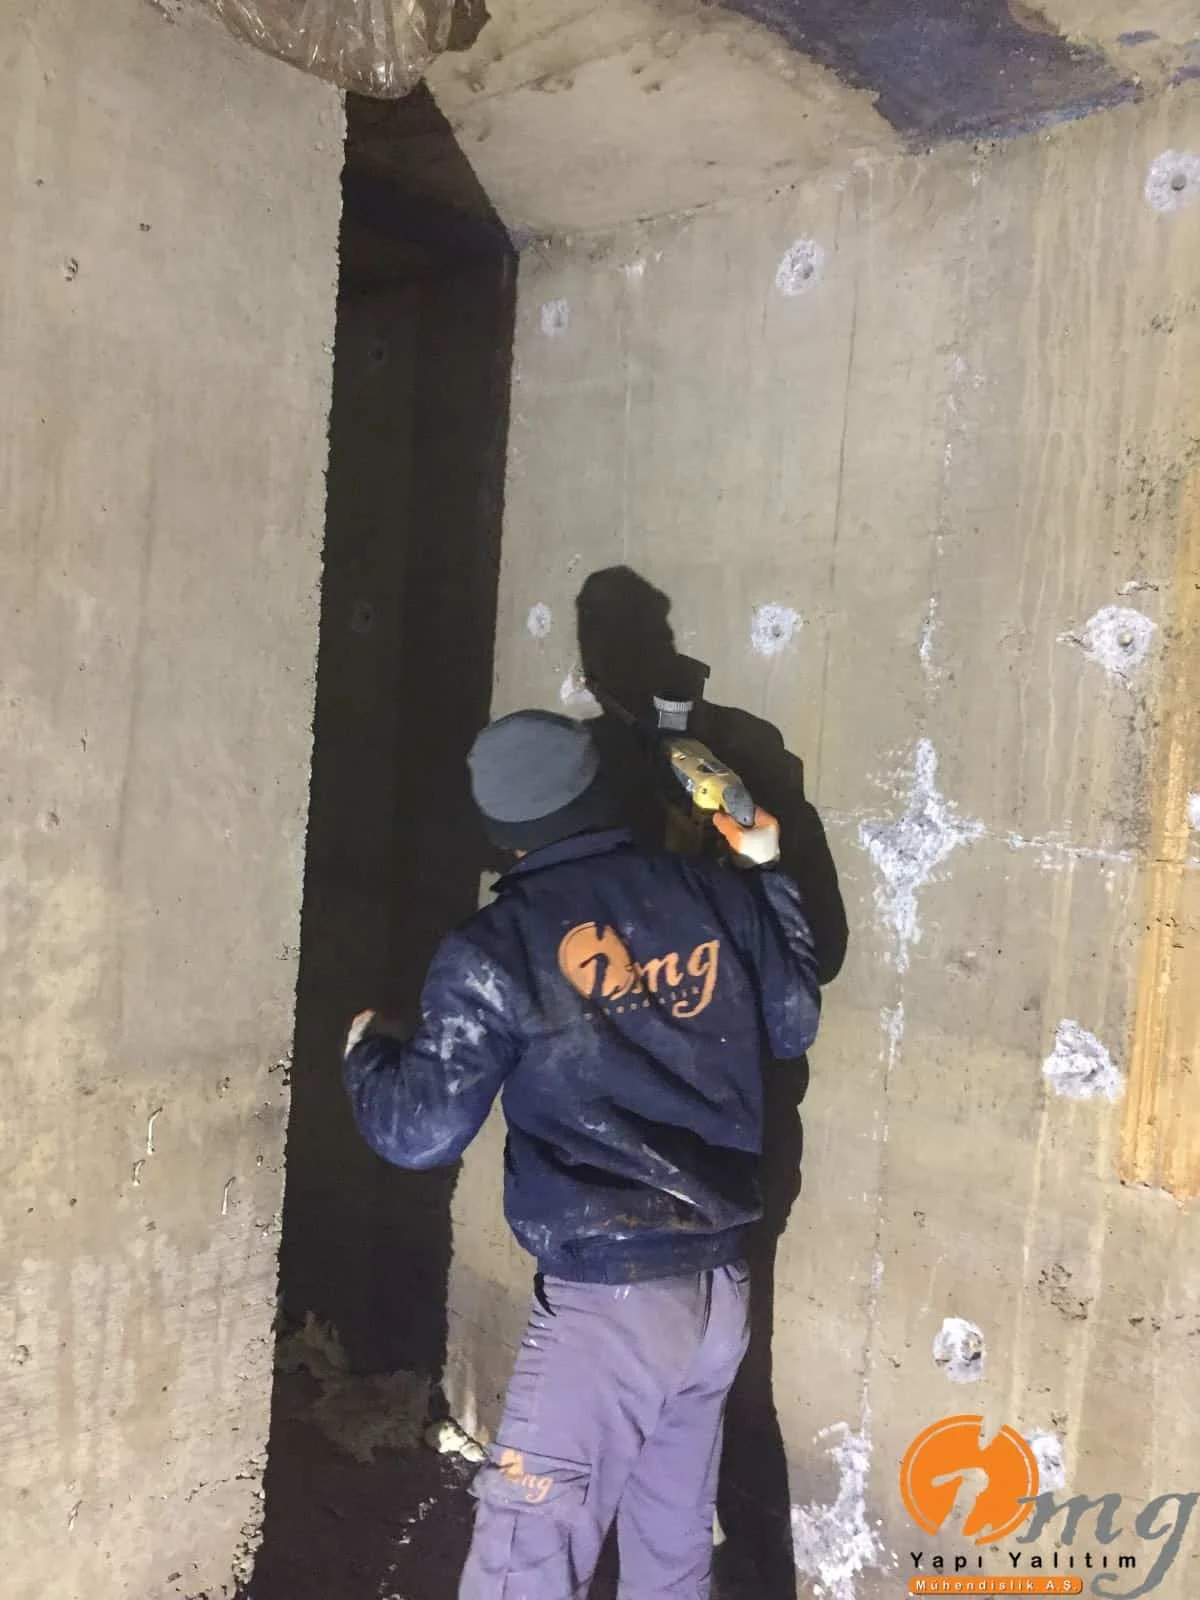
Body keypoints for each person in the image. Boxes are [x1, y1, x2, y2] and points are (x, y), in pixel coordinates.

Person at [342, 709, 821, 1600]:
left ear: (499, 831)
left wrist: (367, 1054)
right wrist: (765, 871)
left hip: (610, 1308)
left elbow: (418, 1133)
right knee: (671, 1554)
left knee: (525, 1564)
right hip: (718, 1296)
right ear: (600, 790)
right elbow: (792, 1024)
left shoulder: (496, 947)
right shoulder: (712, 890)